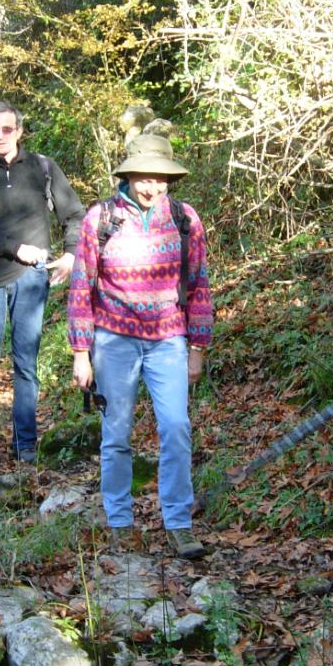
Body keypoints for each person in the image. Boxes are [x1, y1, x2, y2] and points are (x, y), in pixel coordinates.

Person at [67, 133, 213, 560]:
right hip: (114, 338)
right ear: (127, 175)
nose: (151, 187)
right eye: (143, 178)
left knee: (176, 428)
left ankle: (179, 524)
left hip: (169, 337)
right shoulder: (101, 218)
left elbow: (199, 283)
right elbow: (81, 285)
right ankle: (119, 522)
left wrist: (197, 346)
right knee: (115, 434)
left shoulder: (186, 220)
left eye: (160, 178)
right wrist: (81, 350)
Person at [0, 101, 86, 464]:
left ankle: (26, 445)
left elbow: (75, 214)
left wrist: (72, 254)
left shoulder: (43, 168)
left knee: (26, 362)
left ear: (19, 131)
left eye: (7, 129)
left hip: (31, 281)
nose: (0, 136)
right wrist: (16, 248)